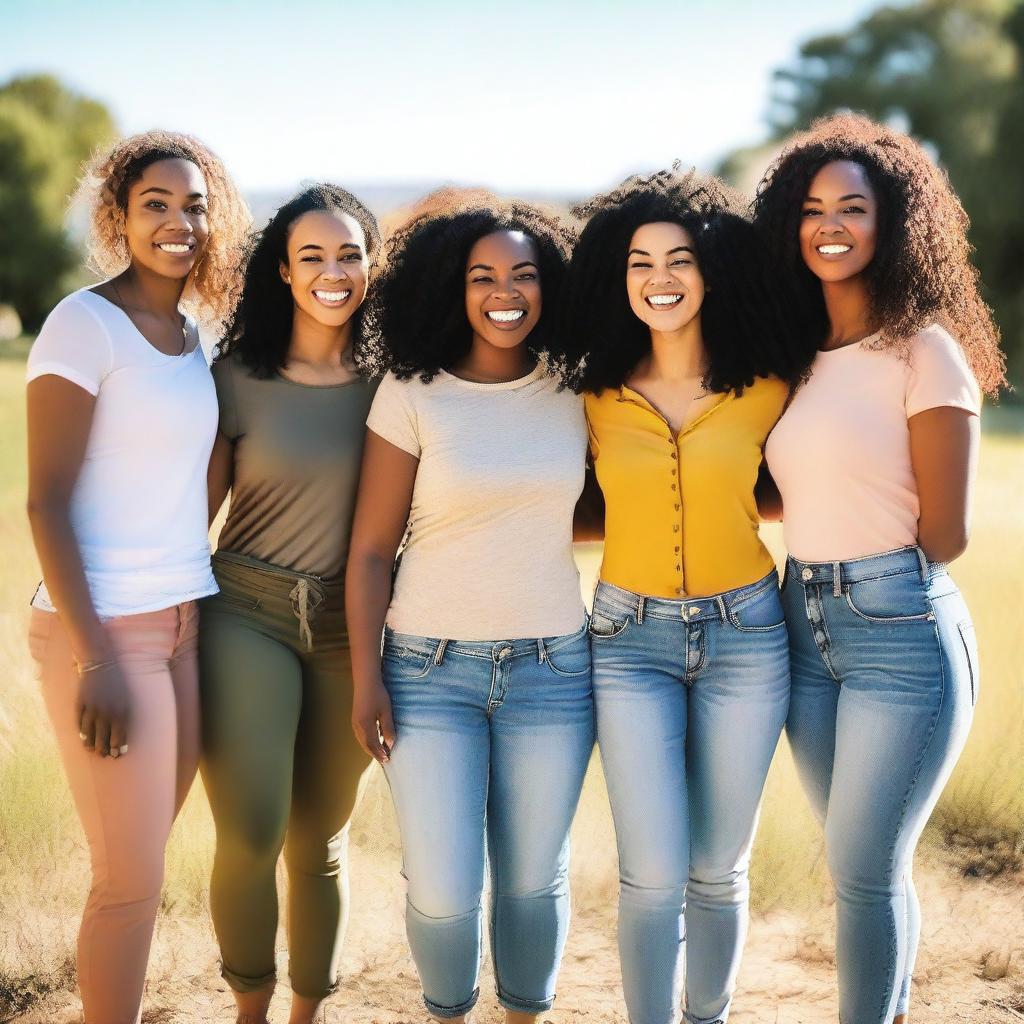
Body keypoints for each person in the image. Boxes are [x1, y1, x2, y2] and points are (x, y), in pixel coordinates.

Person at [754, 113, 1006, 1024]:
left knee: (862, 867)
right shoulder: (792, 359)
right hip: (799, 622)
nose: (830, 224)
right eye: (812, 208)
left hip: (899, 626)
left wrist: (863, 560)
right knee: (861, 864)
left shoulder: (926, 351)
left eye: (852, 208)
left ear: (891, 223)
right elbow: (798, 486)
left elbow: (946, 534)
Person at [560, 169, 807, 1024]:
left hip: (749, 635)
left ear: (710, 274)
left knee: (717, 868)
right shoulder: (588, 393)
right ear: (616, 276)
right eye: (640, 262)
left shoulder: (770, 384)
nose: (659, 278)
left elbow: (793, 486)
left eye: (680, 260)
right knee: (649, 871)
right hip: (626, 642)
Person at [346, 193, 593, 1023]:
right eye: (483, 275)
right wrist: (365, 678)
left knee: (532, 878)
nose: (504, 291)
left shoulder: (575, 389)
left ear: (548, 286)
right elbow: (373, 549)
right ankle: (447, 1011)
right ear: (453, 288)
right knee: (446, 887)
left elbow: (591, 503)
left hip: (554, 669)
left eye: (524, 274)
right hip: (427, 673)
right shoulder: (413, 393)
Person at [25, 130, 249, 1024]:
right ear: (120, 217)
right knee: (128, 880)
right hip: (104, 631)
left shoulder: (198, 333)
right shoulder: (83, 324)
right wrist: (94, 658)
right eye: (155, 204)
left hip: (183, 623)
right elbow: (44, 502)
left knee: (143, 856)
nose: (177, 221)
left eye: (194, 205)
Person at [200, 184, 382, 1024]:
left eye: (349, 254)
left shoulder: (399, 384)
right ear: (282, 270)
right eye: (312, 256)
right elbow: (188, 519)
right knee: (252, 831)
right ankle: (250, 1009)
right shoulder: (236, 377)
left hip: (356, 630)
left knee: (319, 843)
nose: (333, 272)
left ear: (374, 265)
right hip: (246, 612)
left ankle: (305, 1016)